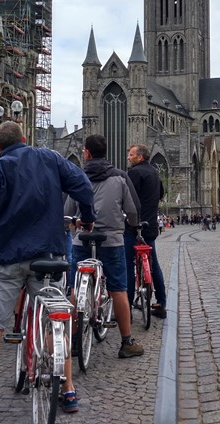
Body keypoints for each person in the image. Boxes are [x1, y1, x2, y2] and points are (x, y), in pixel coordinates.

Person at [0, 121, 96, 420]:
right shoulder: (49, 157)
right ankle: (68, 388)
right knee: (55, 319)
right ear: (25, 139)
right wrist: (86, 218)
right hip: (46, 254)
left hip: (7, 257)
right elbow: (83, 188)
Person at [64, 134, 144, 359]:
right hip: (111, 241)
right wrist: (132, 225)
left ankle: (72, 340)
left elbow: (67, 211)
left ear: (87, 153)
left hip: (82, 239)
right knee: (118, 289)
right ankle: (127, 341)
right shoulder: (120, 176)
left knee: (74, 288)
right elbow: (133, 209)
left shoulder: (77, 176)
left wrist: (74, 227)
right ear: (105, 152)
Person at [125, 144, 168, 320]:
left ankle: (125, 305)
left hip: (134, 226)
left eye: (131, 154)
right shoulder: (154, 172)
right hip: (150, 226)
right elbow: (161, 194)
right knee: (154, 264)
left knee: (127, 264)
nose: (128, 157)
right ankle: (161, 303)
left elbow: (127, 197)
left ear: (139, 157)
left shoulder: (135, 173)